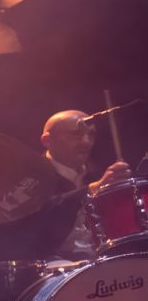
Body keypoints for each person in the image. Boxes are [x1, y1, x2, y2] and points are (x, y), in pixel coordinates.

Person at [39, 109, 131, 257]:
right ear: (47, 141)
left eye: (91, 135)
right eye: (76, 134)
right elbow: (42, 216)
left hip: (101, 259)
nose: (86, 142)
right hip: (54, 265)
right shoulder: (32, 178)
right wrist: (91, 189)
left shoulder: (96, 172)